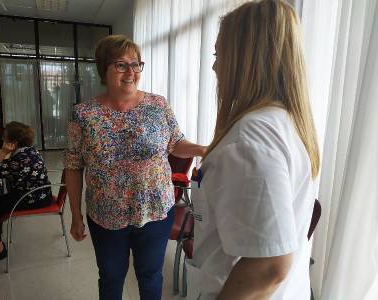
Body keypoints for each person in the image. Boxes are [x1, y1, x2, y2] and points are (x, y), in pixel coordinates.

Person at [186, 1, 320, 299]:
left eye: (219, 55)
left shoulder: (250, 138)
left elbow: (269, 267)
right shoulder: (285, 122)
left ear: (244, 59)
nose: (215, 66)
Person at [64, 35, 206, 300]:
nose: (131, 72)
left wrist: (201, 149)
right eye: (121, 65)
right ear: (103, 70)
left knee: (151, 276)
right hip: (106, 214)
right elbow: (73, 165)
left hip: (155, 210)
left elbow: (175, 143)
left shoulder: (158, 104)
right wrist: (75, 214)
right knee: (110, 277)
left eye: (136, 64)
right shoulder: (83, 114)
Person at [0, 121, 52, 264]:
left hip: (31, 197)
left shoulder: (19, 159)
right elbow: (11, 166)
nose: (2, 139)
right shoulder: (29, 150)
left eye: (5, 137)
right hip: (41, 193)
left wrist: (2, 153)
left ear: (14, 142)